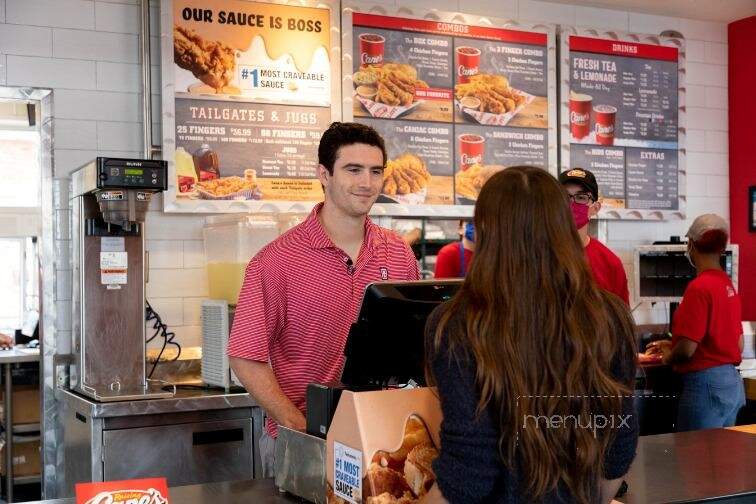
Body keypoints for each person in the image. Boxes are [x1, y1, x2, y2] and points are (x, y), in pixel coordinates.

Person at [423, 167, 638, 504]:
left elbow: (468, 474)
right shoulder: (610, 317)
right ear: (562, 225)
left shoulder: (457, 324)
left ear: (487, 230)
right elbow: (617, 452)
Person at [228, 122, 420, 477]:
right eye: (353, 169)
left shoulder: (398, 254)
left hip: (381, 436)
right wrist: (296, 424)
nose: (367, 182)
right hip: (305, 439)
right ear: (324, 174)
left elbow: (412, 346)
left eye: (375, 171)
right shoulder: (276, 261)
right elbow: (245, 355)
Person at [647, 214, 745, 431]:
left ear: (690, 244)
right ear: (722, 247)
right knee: (721, 460)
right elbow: (737, 344)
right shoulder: (727, 285)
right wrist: (671, 344)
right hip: (731, 385)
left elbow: (687, 350)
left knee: (694, 460)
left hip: (706, 386)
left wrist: (668, 356)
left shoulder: (699, 288)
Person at [559, 168, 630, 304]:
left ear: (595, 208)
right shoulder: (540, 255)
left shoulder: (610, 263)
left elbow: (621, 320)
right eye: (564, 197)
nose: (572, 204)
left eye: (581, 198)